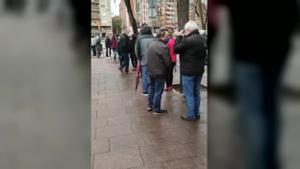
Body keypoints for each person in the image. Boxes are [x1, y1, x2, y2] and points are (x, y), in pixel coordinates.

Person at [174, 20, 207, 121]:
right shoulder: (203, 38)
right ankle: (196, 113)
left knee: (189, 94)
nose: (184, 32)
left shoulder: (188, 40)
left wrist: (178, 37)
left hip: (188, 72)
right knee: (196, 92)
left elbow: (176, 49)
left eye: (185, 30)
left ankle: (191, 115)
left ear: (189, 29)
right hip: (199, 70)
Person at [147, 29, 173, 115]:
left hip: (151, 71)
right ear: (162, 37)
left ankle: (150, 105)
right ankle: (156, 109)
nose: (168, 38)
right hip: (159, 72)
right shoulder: (163, 47)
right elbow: (168, 62)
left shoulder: (152, 44)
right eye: (166, 36)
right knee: (158, 91)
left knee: (152, 88)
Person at [135, 26, 155, 96]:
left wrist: (139, 58)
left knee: (145, 76)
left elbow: (137, 50)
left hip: (144, 60)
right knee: (152, 75)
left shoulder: (140, 39)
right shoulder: (154, 38)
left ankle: (145, 90)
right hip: (153, 60)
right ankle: (152, 88)